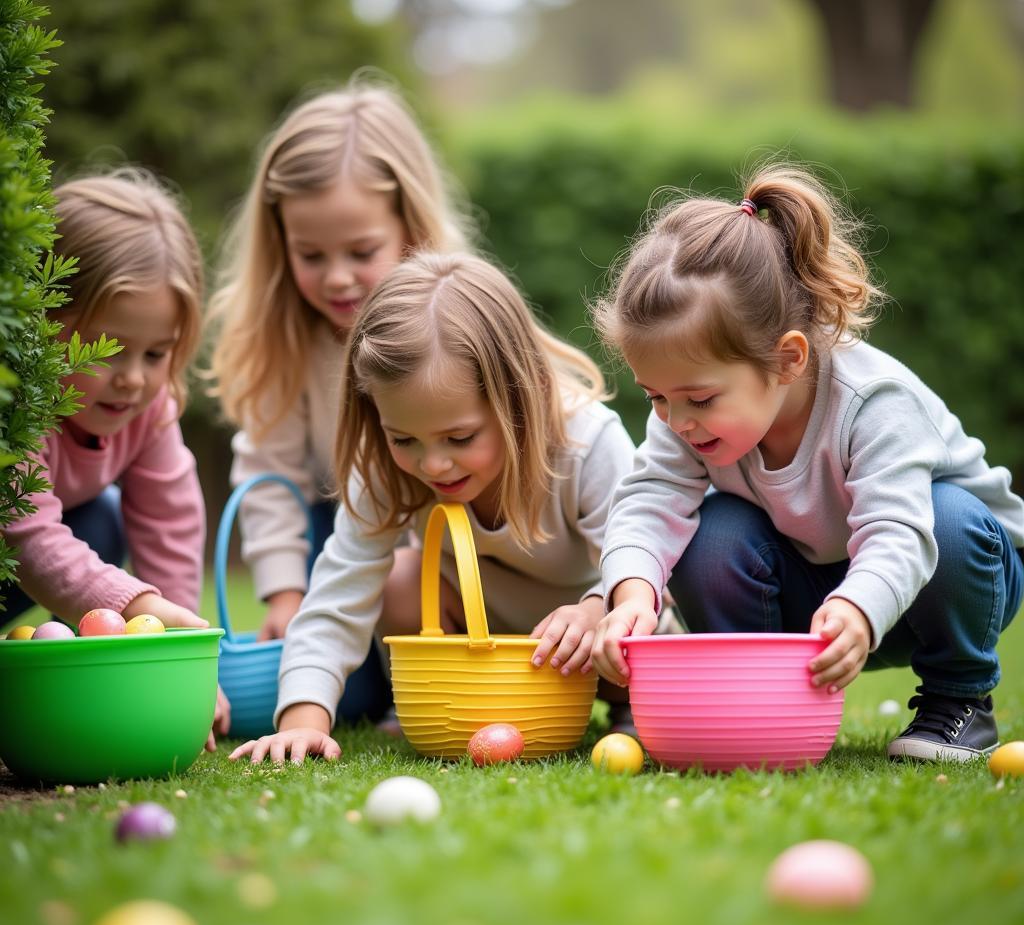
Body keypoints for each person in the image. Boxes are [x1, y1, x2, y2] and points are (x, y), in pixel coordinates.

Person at [590, 163, 1024, 763]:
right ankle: (759, 697)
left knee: (947, 517)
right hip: (813, 589)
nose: (675, 420)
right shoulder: (681, 414)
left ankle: (959, 702)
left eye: (700, 398)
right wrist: (633, 594)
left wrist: (858, 606)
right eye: (654, 395)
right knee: (711, 535)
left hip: (945, 582)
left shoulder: (874, 403)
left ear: (788, 358)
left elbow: (900, 530)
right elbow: (649, 498)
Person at [229, 251, 638, 763]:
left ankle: (630, 712)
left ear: (521, 395)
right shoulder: (381, 466)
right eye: (405, 439)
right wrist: (301, 720)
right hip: (475, 649)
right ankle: (436, 705)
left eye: (459, 436)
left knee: (632, 628)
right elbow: (337, 598)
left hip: (583, 643)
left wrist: (597, 607)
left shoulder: (587, 441)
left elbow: (641, 556)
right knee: (400, 579)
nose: (434, 465)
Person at [208, 80, 470, 726]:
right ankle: (371, 679)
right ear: (281, 244)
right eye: (310, 255)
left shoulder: (452, 323)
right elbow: (269, 476)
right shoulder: (286, 335)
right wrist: (285, 592)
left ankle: (413, 668)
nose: (337, 277)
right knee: (333, 694)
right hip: (343, 532)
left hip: (440, 539)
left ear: (411, 227)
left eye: (361, 252)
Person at [2, 170, 230, 747]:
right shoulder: (15, 403)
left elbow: (170, 523)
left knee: (97, 519)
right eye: (108, 348)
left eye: (157, 353)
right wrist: (138, 603)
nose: (132, 378)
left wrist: (179, 656)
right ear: (43, 325)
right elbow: (22, 532)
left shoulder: (150, 408)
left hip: (41, 551)